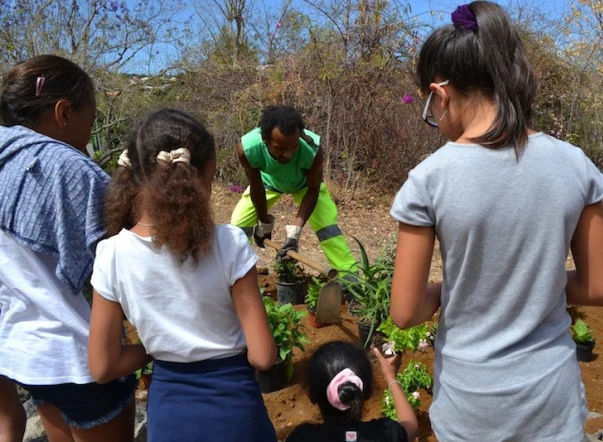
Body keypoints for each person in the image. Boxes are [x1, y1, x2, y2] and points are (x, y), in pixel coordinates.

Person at [389, 2, 603, 441]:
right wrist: (540, 277)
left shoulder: (429, 180)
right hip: (551, 400)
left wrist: (448, 288)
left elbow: (405, 311)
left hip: (471, 404)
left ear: (441, 94)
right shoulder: (574, 165)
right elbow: (601, 289)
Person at [88, 109, 278, 442]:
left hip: (169, 417)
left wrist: (161, 348)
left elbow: (102, 366)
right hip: (236, 414)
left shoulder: (111, 254)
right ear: (198, 179)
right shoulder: (228, 243)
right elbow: (263, 355)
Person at [0, 55, 136, 442]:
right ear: (63, 112)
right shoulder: (69, 170)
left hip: (26, 354)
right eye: (89, 124)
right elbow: (119, 263)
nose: (88, 138)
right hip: (81, 355)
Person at [231, 105, 356, 275]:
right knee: (238, 227)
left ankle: (350, 280)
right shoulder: (248, 149)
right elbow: (256, 186)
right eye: (280, 148)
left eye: (293, 147)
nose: (288, 154)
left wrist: (294, 234)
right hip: (269, 183)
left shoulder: (312, 151)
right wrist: (264, 223)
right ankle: (237, 275)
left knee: (328, 230)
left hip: (305, 186)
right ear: (265, 140)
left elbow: (313, 190)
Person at [285, 341, 418, 442]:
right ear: (368, 391)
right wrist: (391, 377)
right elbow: (411, 426)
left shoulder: (303, 437)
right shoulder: (386, 433)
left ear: (311, 396)